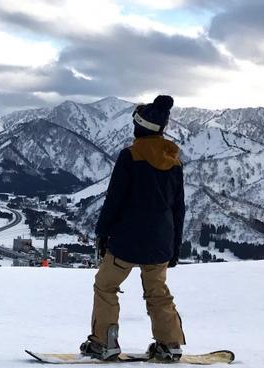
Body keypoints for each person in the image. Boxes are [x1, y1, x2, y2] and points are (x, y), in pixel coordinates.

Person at [79, 95, 186, 362]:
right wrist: (174, 247)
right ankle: (169, 344)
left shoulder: (130, 156)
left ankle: (105, 342)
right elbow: (178, 209)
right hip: (161, 241)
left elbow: (114, 199)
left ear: (139, 127)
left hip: (126, 240)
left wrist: (103, 233)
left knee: (105, 286)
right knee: (158, 293)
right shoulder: (173, 161)